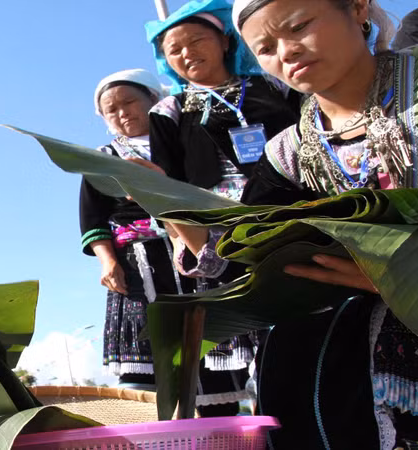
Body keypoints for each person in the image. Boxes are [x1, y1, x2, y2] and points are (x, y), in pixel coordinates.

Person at [168, 0, 418, 447]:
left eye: (299, 26)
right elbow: (245, 252)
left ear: (357, 8)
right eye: (266, 47)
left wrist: (406, 274)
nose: (287, 51)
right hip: (371, 355)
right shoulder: (289, 152)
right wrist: (169, 207)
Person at [143, 0, 300, 416]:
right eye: (174, 49)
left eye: (196, 40)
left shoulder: (274, 86)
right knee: (248, 342)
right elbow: (166, 184)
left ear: (226, 41)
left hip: (287, 215)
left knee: (300, 325)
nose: (186, 53)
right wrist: (185, 242)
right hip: (217, 231)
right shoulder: (168, 111)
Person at [81, 69, 195, 390]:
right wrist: (109, 262)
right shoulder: (101, 160)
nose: (122, 113)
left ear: (154, 100)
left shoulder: (182, 143)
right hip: (138, 267)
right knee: (145, 361)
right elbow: (93, 220)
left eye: (129, 102)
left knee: (206, 349)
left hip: (193, 252)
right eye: (111, 110)